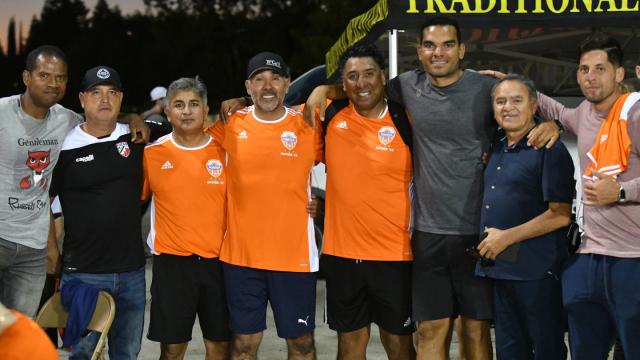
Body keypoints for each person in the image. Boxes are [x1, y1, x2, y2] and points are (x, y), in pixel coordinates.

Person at [0, 46, 149, 319]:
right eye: (44, 75)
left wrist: (134, 118)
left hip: (32, 248)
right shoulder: (2, 112)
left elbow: (102, 119)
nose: (52, 83)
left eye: (60, 77)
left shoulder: (66, 120)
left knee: (17, 332)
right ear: (26, 77)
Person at [209, 51, 322, 360]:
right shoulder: (231, 125)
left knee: (302, 344)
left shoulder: (309, 122)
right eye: (259, 80)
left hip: (295, 257)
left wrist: (326, 89)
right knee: (244, 345)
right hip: (242, 258)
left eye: (275, 79)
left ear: (287, 84)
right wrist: (144, 122)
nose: (268, 87)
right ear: (248, 87)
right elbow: (183, 136)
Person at [534, 32, 640, 359]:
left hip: (633, 259)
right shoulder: (583, 113)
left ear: (619, 74)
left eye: (600, 69)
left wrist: (621, 190)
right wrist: (519, 88)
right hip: (588, 257)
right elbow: (556, 110)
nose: (590, 77)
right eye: (583, 70)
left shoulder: (634, 115)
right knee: (584, 351)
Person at [49, 66, 157, 359]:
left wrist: (137, 119)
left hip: (131, 274)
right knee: (83, 354)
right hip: (83, 274)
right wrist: (52, 253)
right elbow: (42, 203)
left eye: (112, 93)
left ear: (121, 98)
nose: (104, 99)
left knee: (127, 353)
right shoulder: (63, 146)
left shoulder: (138, 139)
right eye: (96, 93)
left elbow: (185, 124)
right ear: (82, 99)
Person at [319, 43, 415, 359]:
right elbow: (274, 114)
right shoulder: (330, 118)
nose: (362, 84)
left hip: (395, 256)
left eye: (369, 74)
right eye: (352, 77)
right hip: (342, 255)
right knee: (349, 348)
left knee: (399, 344)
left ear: (383, 77)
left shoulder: (406, 120)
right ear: (343, 85)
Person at [475, 74, 574, 359]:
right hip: (502, 270)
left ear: (534, 106)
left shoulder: (549, 149)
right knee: (509, 349)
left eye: (517, 100)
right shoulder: (496, 147)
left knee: (546, 347)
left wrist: (505, 238)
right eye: (500, 101)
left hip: (537, 273)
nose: (508, 107)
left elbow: (560, 215)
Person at [142, 77, 230, 360]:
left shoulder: (227, 151)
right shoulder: (152, 155)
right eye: (178, 105)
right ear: (167, 112)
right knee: (172, 350)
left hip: (219, 263)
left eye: (194, 104)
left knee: (219, 347)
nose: (187, 111)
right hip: (172, 264)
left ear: (206, 110)